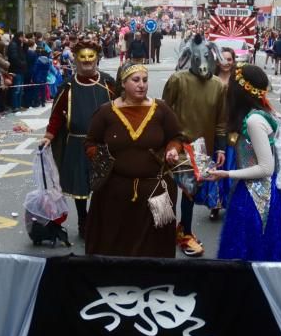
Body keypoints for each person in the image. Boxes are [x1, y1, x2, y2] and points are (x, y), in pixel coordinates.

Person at [84, 64, 185, 258]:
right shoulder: (106, 112)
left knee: (156, 244)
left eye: (145, 80)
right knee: (114, 240)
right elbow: (90, 143)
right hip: (114, 192)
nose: (141, 85)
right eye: (135, 80)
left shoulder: (160, 108)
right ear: (123, 83)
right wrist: (101, 158)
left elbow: (178, 137)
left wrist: (172, 150)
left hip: (156, 190)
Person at [205, 65, 281, 260]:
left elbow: (266, 168)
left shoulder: (254, 120)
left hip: (256, 197)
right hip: (257, 192)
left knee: (247, 252)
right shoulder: (261, 112)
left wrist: (226, 174)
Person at [41, 41, 117, 236]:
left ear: (97, 58)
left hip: (104, 145)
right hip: (77, 143)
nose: (86, 61)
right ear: (75, 59)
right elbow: (57, 114)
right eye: (82, 57)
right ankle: (83, 221)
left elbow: (121, 109)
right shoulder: (68, 86)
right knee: (80, 186)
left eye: (90, 57)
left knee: (104, 185)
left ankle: (99, 219)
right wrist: (49, 136)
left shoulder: (108, 83)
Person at [163, 35, 228, 249]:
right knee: (171, 189)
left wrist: (220, 148)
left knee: (190, 192)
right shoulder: (178, 80)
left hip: (202, 149)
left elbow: (221, 120)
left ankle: (184, 230)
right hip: (177, 145)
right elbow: (164, 110)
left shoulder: (218, 86)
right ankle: (169, 229)